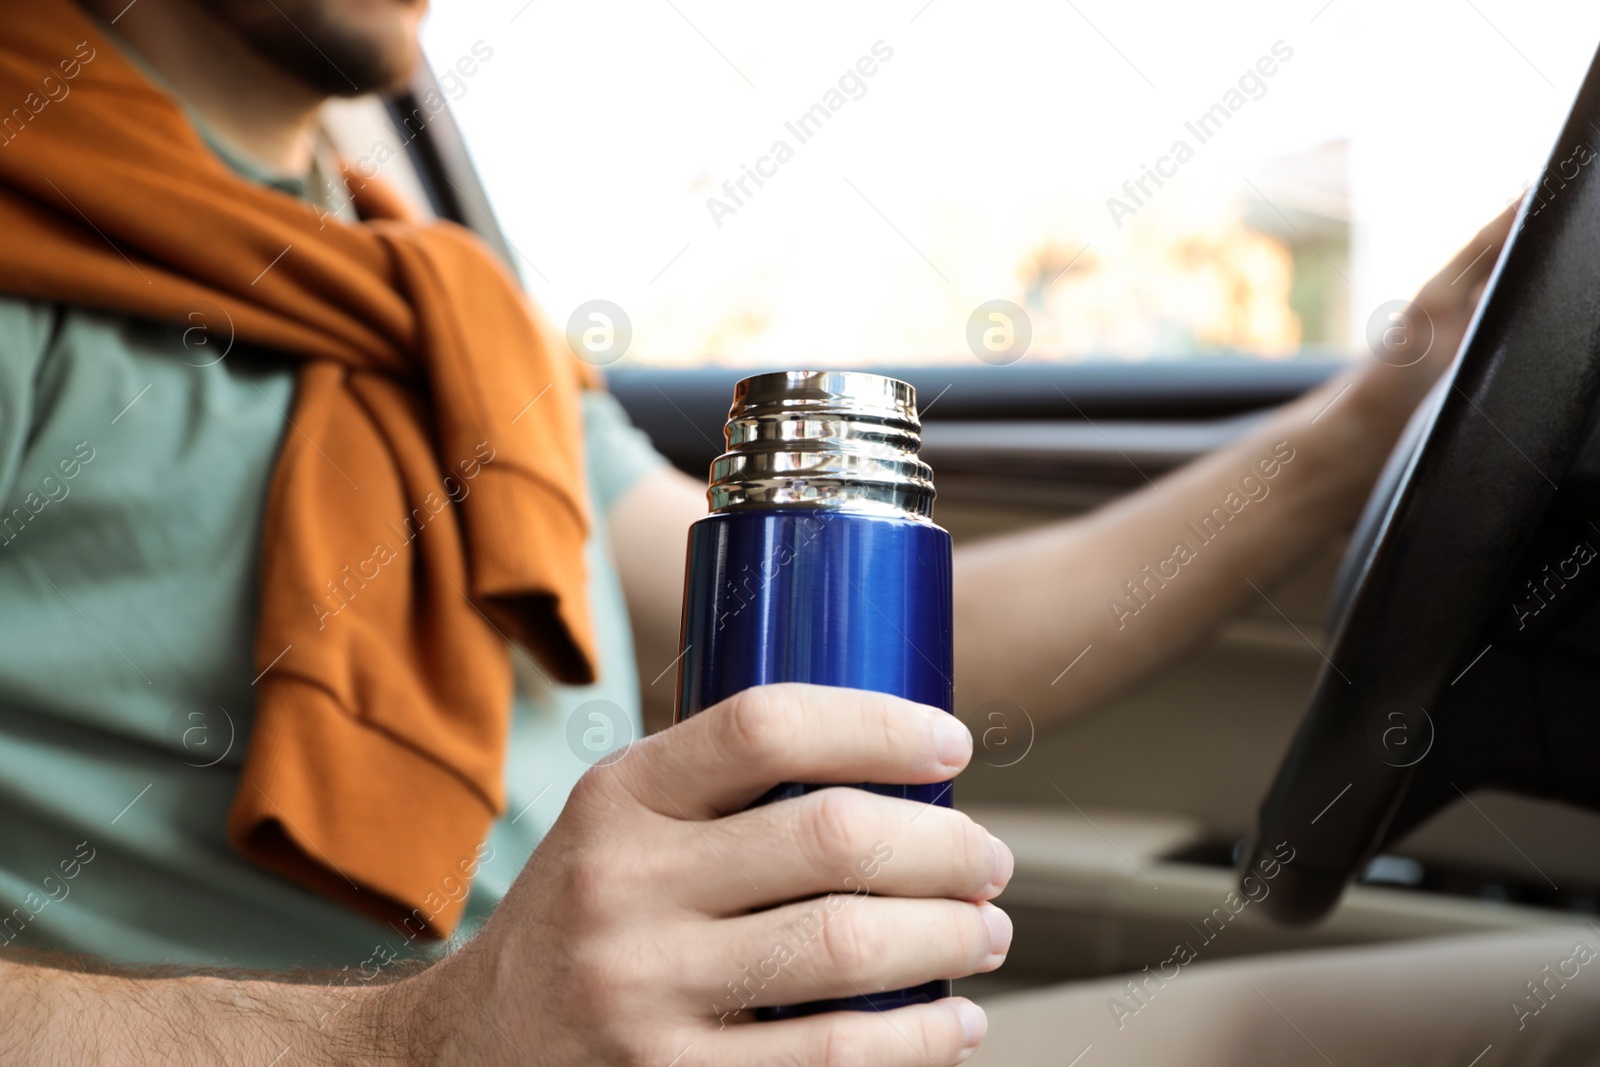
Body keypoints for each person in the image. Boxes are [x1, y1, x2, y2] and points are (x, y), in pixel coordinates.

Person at [0, 0, 1570, 1064]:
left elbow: (857, 670)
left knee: (1567, 998)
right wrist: (426, 1035)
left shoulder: (437, 302)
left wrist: (1367, 417)